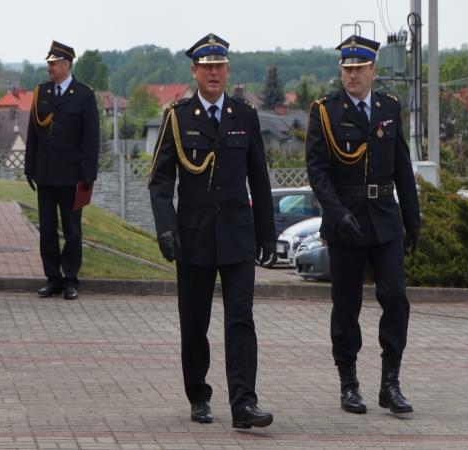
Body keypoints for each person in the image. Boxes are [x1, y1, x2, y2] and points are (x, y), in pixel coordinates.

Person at [149, 33, 276, 429]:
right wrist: (166, 228)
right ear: (194, 71)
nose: (214, 73)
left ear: (228, 70)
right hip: (194, 236)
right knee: (195, 323)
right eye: (207, 67)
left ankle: (244, 404)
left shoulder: (245, 115)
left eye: (220, 66)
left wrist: (267, 234)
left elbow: (259, 178)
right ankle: (198, 395)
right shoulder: (178, 117)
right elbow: (159, 181)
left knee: (241, 319)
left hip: (237, 236)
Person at [305, 35, 420, 415]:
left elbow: (402, 167)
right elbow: (318, 172)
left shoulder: (389, 107)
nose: (352, 76)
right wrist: (338, 214)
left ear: (373, 70)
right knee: (346, 305)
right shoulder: (325, 111)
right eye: (347, 69)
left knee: (396, 298)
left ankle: (391, 383)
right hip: (346, 220)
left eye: (359, 69)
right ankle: (349, 383)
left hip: (384, 218)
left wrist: (413, 219)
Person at [25, 41, 100, 301]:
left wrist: (89, 174)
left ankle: (70, 280)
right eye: (49, 64)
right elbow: (33, 133)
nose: (49, 68)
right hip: (46, 173)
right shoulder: (41, 92)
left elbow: (91, 138)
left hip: (72, 175)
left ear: (66, 65)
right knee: (47, 230)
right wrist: (29, 167)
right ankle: (52, 279)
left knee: (72, 231)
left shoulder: (83, 95)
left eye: (53, 64)